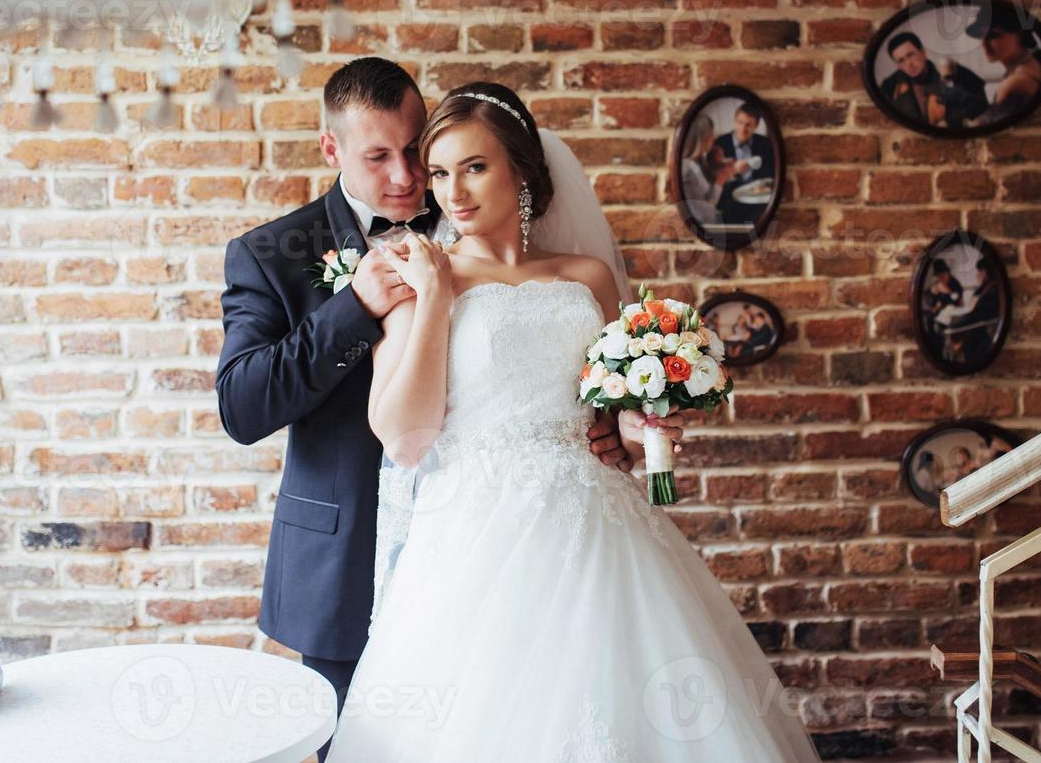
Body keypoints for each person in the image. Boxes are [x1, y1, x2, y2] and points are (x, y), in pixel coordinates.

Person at [325, 83, 820, 761]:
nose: (452, 193)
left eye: (474, 167)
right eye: (440, 173)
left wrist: (651, 432)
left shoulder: (587, 277)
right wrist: (438, 294)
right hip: (475, 535)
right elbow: (403, 435)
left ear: (522, 170)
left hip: (598, 527)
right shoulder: (416, 273)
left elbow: (611, 422)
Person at [213, 59, 671, 761]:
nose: (408, 179)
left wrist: (617, 429)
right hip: (349, 549)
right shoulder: (274, 254)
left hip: (530, 532)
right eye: (378, 157)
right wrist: (355, 307)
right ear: (333, 150)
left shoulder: (468, 216)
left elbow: (573, 378)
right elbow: (244, 407)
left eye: (414, 152)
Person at [879, 31, 989, 129]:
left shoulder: (953, 75)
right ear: (897, 65)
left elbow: (981, 111)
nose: (909, 64)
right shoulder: (890, 87)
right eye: (901, 60)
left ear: (922, 52)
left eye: (911, 55)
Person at [964, 3, 1041, 126]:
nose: (984, 44)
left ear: (1019, 35)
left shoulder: (1016, 83)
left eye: (993, 35)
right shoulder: (1034, 62)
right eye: (982, 36)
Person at [708, 101, 775, 224]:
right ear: (734, 121)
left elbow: (771, 175)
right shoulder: (720, 143)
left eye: (749, 125)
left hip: (758, 204)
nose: (743, 129)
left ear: (756, 125)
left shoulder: (765, 144)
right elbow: (712, 177)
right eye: (740, 123)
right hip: (729, 204)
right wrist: (733, 170)